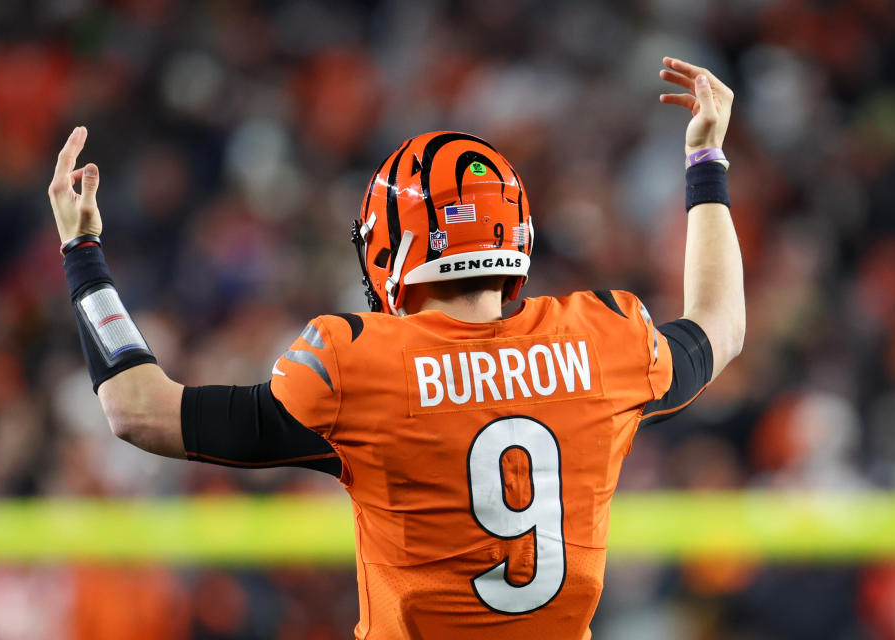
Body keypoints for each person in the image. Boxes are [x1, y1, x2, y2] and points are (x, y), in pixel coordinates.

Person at [47, 56, 744, 639]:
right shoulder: (604, 340)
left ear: (390, 245)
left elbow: (136, 409)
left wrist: (82, 253)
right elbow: (721, 323)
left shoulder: (358, 363)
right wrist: (705, 161)